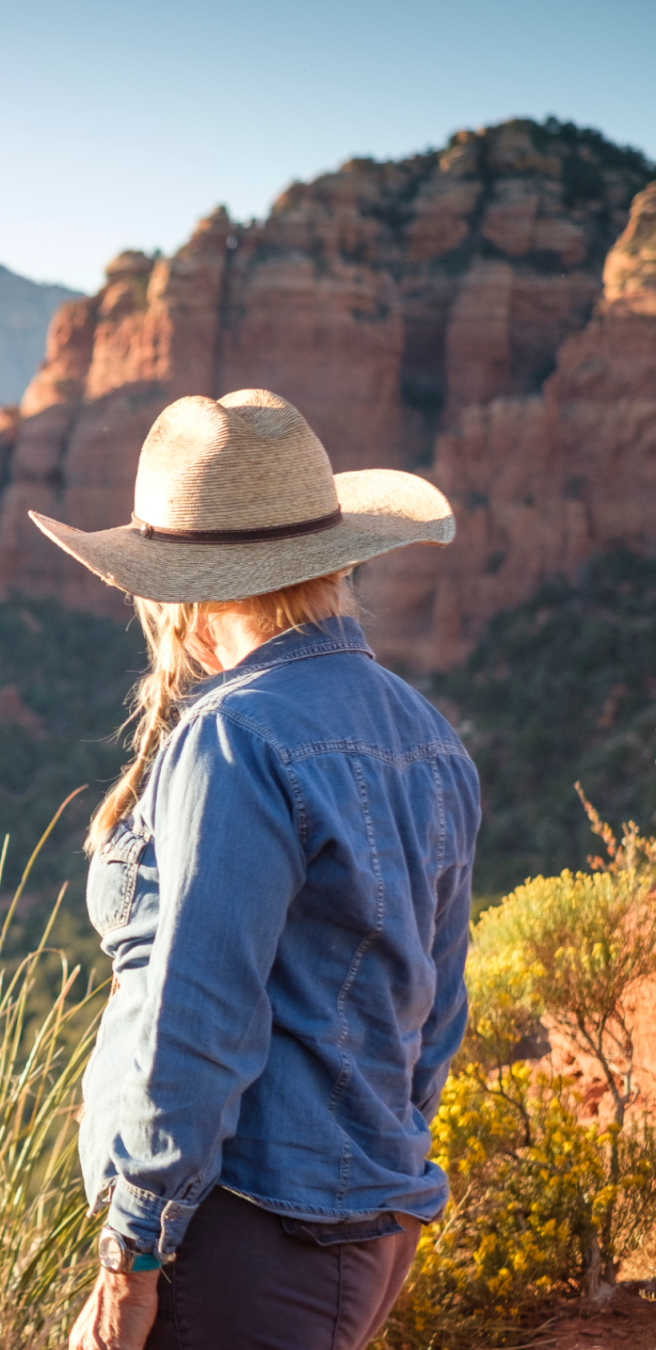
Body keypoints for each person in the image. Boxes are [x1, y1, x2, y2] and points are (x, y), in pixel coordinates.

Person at [38, 390, 478, 1350]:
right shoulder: (426, 734)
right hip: (352, 1224)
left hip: (243, 1234)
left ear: (182, 582)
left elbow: (199, 1015)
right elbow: (435, 1013)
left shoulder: (235, 735)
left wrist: (132, 1254)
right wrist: (378, 1180)